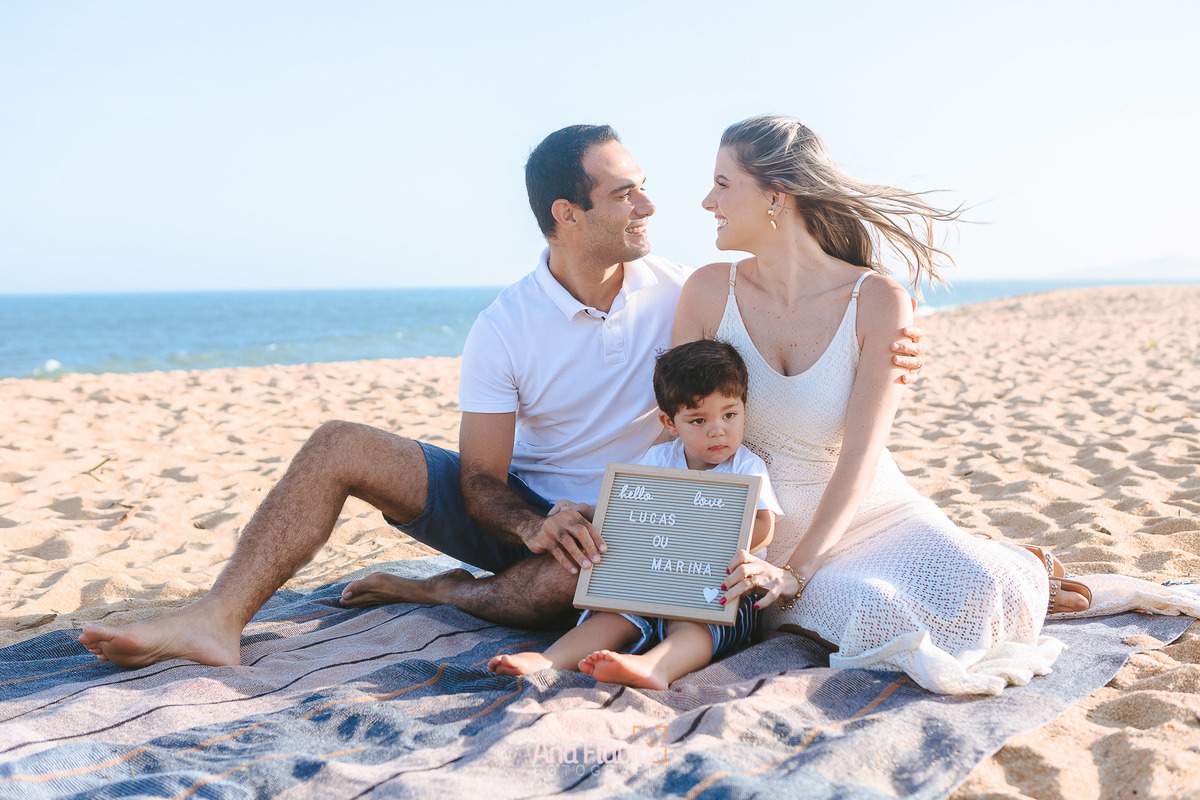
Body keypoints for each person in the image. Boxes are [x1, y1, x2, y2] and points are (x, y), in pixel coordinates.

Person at [77, 124, 924, 669]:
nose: (650, 204)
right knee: (339, 439)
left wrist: (894, 345)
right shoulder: (505, 326)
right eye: (624, 191)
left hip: (622, 526)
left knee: (588, 570)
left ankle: (435, 591)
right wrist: (530, 522)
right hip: (519, 510)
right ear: (568, 213)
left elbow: (792, 322)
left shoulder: (684, 290)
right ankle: (217, 619)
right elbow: (480, 477)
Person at [673, 115, 1091, 696]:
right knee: (879, 616)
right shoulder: (708, 290)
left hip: (873, 513)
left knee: (977, 595)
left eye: (722, 184)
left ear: (776, 194)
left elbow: (863, 454)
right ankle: (998, 556)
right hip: (766, 533)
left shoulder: (877, 300)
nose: (705, 201)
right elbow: (676, 424)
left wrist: (797, 574)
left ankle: (1016, 563)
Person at [487, 339, 783, 689]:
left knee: (694, 626)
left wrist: (706, 531)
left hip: (720, 588)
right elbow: (630, 511)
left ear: (743, 409)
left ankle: (657, 666)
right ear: (670, 423)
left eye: (730, 415)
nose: (717, 429)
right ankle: (550, 659)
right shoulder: (658, 461)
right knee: (612, 613)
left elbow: (765, 526)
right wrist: (590, 511)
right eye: (698, 420)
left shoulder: (746, 468)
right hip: (654, 581)